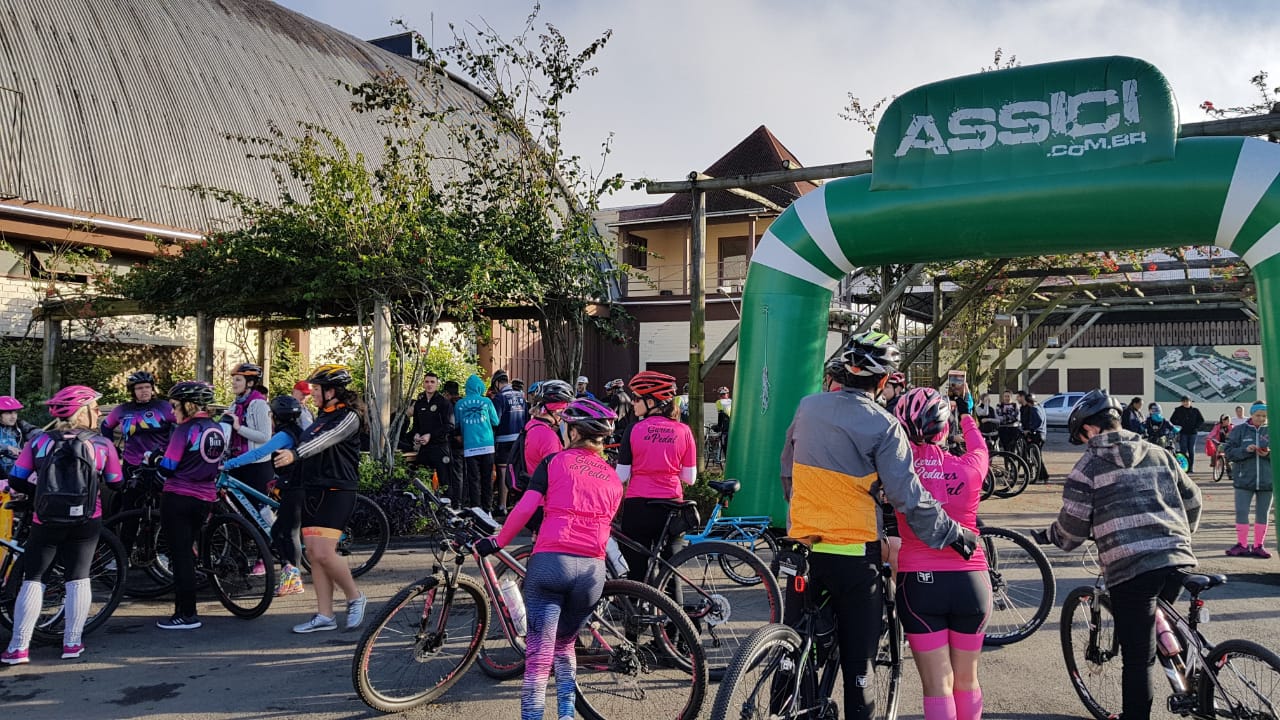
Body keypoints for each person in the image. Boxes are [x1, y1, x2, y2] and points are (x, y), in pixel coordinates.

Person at [779, 331, 975, 720]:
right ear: (883, 381)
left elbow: (788, 473)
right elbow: (909, 498)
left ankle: (781, 701)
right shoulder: (886, 426)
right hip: (854, 556)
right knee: (859, 664)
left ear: (844, 370)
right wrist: (954, 533)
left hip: (801, 548)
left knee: (794, 646)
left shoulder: (807, 406)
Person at [1032, 388, 1201, 720]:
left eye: (1081, 435)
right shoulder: (1158, 452)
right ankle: (1192, 682)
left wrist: (1049, 536)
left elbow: (1073, 530)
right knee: (1159, 619)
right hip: (1177, 555)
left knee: (1139, 657)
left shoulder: (1088, 467)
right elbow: (1193, 499)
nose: (1082, 442)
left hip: (1131, 567)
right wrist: (1179, 537)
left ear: (1091, 429)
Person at [475, 398, 624, 720]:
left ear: (572, 431)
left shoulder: (555, 462)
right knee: (565, 646)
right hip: (591, 572)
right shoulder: (612, 477)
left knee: (540, 656)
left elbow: (526, 507)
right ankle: (567, 716)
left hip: (552, 562)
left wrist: (498, 542)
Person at [1, 386, 122, 664]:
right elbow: (117, 482)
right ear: (84, 412)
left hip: (45, 518)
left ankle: (19, 648)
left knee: (34, 578)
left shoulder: (40, 442)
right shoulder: (102, 444)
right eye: (94, 408)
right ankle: (72, 643)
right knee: (78, 577)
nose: (97, 414)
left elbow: (18, 479)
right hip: (88, 518)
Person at [893, 385, 990, 720]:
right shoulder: (972, 467)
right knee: (967, 679)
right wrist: (966, 415)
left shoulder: (898, 474)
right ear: (944, 428)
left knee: (938, 685)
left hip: (919, 583)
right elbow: (980, 446)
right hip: (971, 580)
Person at [273, 364, 367, 634]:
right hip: (312, 489)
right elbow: (311, 447)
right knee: (314, 554)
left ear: (332, 390)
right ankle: (325, 615)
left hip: (338, 490)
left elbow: (325, 441)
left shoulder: (349, 416)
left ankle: (354, 597)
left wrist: (295, 454)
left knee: (325, 552)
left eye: (316, 389)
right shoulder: (320, 415)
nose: (312, 393)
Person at [150, 380, 227, 630]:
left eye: (174, 406)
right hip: (205, 498)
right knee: (189, 554)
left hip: (179, 497)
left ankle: (186, 614)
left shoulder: (185, 431)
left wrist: (153, 460)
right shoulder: (215, 429)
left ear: (188, 405)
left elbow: (168, 467)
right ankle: (187, 611)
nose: (172, 411)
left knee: (180, 556)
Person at [615, 371, 697, 585]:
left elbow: (621, 475)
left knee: (637, 571)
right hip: (672, 506)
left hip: (639, 506)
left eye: (636, 398)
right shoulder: (684, 430)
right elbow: (690, 478)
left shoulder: (634, 429)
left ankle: (638, 611)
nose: (633, 403)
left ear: (651, 401)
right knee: (671, 571)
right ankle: (675, 614)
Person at [223, 395, 308, 596]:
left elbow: (258, 453)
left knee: (286, 532)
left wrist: (227, 465)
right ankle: (290, 572)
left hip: (295, 487)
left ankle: (294, 577)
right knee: (279, 529)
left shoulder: (284, 436)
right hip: (292, 484)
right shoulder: (296, 430)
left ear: (276, 416)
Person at [99, 371, 175, 523]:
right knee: (130, 509)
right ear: (133, 391)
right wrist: (112, 448)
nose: (144, 391)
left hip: (159, 465)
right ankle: (126, 545)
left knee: (164, 510)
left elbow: (183, 426)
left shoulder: (164, 407)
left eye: (147, 387)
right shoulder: (123, 409)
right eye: (140, 388)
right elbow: (106, 426)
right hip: (132, 465)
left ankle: (158, 543)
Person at [223, 363, 275, 544]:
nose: (234, 383)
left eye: (238, 380)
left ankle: (271, 551)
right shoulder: (234, 404)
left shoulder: (259, 404)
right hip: (238, 462)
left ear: (250, 383)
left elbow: (265, 436)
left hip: (258, 465)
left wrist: (239, 427)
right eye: (233, 379)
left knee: (259, 511)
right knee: (239, 510)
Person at [1222, 401, 1271, 558]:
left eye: (1264, 416)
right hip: (1243, 480)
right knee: (1242, 512)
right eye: (1258, 415)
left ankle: (1258, 545)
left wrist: (1269, 454)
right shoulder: (1239, 430)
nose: (1261, 419)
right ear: (1251, 414)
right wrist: (1245, 450)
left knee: (1262, 513)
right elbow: (1228, 452)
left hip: (1267, 481)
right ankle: (1242, 544)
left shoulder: (1273, 430)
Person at [454, 374, 500, 512]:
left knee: (473, 479)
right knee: (487, 478)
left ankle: (476, 510)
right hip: (487, 445)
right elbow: (496, 421)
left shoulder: (459, 404)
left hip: (470, 446)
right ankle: (488, 510)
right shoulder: (486, 402)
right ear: (480, 387)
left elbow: (456, 424)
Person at [409, 372, 455, 494]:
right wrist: (416, 435)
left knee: (445, 482)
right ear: (423, 383)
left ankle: (448, 508)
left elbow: (450, 425)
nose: (429, 385)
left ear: (437, 384)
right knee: (422, 480)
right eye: (427, 382)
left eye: (432, 382)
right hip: (424, 448)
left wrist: (431, 435)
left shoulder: (444, 403)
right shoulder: (419, 403)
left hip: (440, 447)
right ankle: (425, 508)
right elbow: (416, 426)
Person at [492, 370, 529, 517]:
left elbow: (496, 421)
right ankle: (519, 505)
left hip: (504, 441)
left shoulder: (500, 398)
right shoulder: (521, 396)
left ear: (496, 383)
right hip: (520, 440)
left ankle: (502, 505)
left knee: (502, 473)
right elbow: (527, 418)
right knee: (518, 472)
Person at [0, 396, 37, 478]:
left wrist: (48, 436)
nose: (13, 417)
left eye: (15, 412)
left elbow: (33, 431)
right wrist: (7, 447)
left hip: (17, 473)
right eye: (8, 413)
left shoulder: (20, 425)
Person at [1018, 390, 1049, 482]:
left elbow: (1038, 421)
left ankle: (1044, 475)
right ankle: (1040, 475)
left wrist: (1031, 430)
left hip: (1037, 434)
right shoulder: (1040, 407)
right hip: (1043, 434)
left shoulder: (1034, 409)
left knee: (1036, 455)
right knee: (1037, 455)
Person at [1170, 396, 1205, 473]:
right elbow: (1172, 420)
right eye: (1184, 401)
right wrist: (1179, 426)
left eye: (1187, 401)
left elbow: (1201, 420)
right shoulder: (1178, 410)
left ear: (1190, 401)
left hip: (1193, 433)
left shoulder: (1195, 410)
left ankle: (1191, 468)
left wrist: (1196, 427)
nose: (1185, 403)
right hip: (1183, 433)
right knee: (1183, 450)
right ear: (1181, 402)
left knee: (1191, 450)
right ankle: (1183, 467)